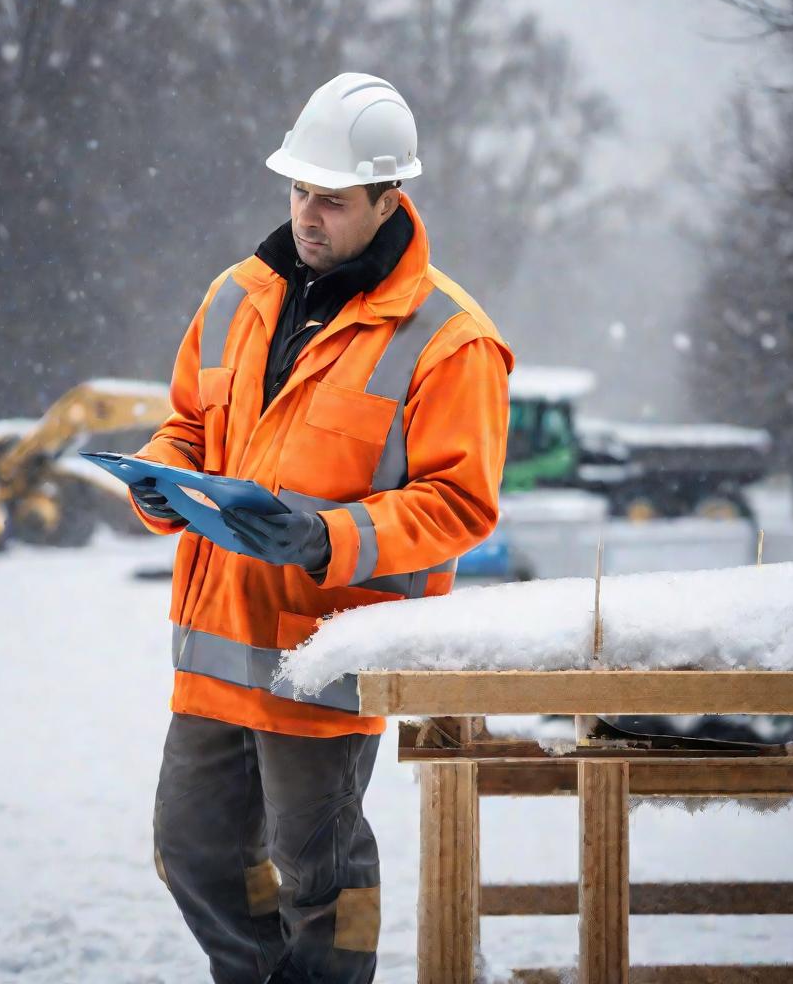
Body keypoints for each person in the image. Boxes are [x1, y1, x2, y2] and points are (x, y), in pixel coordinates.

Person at [129, 72, 514, 984]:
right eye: (301, 191)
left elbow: (460, 506)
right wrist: (158, 477)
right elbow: (187, 423)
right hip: (217, 651)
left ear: (390, 198)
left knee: (323, 878)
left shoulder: (451, 341)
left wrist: (330, 539)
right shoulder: (236, 296)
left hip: (326, 656)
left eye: (334, 200)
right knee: (195, 854)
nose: (309, 214)